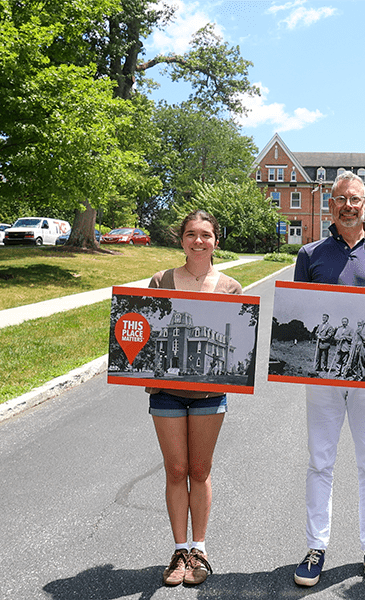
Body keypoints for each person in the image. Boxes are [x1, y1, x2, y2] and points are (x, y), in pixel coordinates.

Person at [292, 171, 365, 589]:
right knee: (320, 461)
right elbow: (301, 309)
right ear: (330, 205)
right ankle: (315, 547)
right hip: (322, 377)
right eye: (339, 199)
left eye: (355, 199)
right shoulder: (309, 254)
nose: (347, 205)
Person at [146, 209, 242, 587]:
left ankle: (199, 549)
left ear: (216, 241)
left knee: (199, 471)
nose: (198, 241)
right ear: (181, 239)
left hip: (208, 392)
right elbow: (149, 330)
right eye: (191, 234)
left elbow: (235, 346)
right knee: (175, 470)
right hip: (166, 392)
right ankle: (178, 549)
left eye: (205, 234)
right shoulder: (161, 280)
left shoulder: (230, 287)